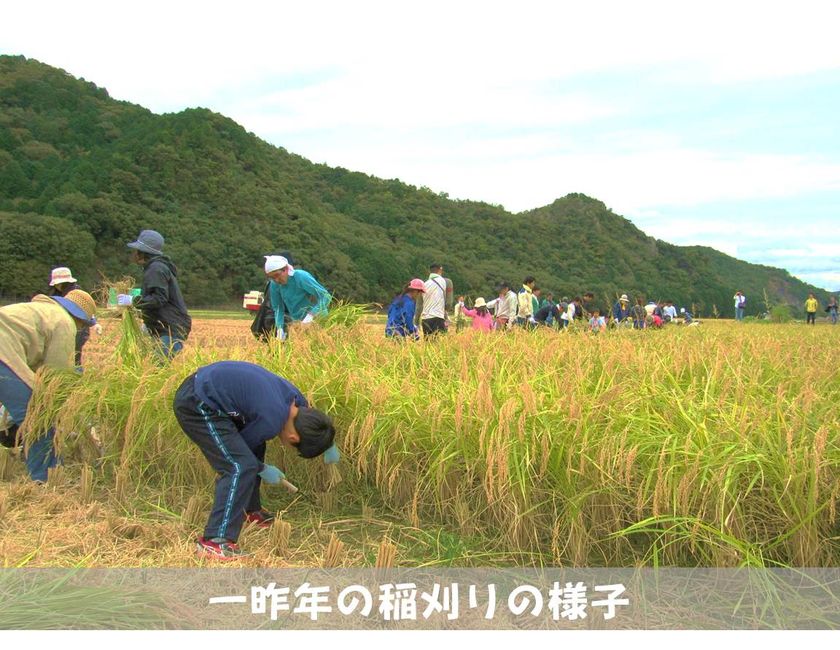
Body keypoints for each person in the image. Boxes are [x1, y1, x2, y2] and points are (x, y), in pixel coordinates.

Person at [173, 360, 339, 560]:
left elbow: (314, 421)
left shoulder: (296, 401)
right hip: (198, 401)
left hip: (214, 390)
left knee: (256, 446)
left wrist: (328, 442)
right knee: (239, 466)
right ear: (294, 439)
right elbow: (240, 451)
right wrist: (261, 468)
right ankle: (215, 540)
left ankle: (248, 511)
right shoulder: (271, 419)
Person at [0, 290, 96, 482]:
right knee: (37, 418)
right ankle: (44, 478)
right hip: (4, 354)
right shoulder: (65, 323)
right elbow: (55, 377)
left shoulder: (42, 311)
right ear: (81, 321)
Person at [127, 230, 192, 359]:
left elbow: (159, 299)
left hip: (170, 329)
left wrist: (133, 301)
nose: (133, 253)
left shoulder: (156, 268)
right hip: (163, 328)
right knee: (147, 365)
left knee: (156, 368)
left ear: (142, 252)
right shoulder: (156, 267)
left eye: (136, 250)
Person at [264, 255, 331, 340]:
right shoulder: (274, 285)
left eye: (277, 275)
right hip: (298, 323)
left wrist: (311, 315)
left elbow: (325, 296)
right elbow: (277, 308)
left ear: (285, 269)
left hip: (319, 319)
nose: (276, 280)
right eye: (272, 277)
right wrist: (280, 328)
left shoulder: (301, 277)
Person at [47, 266, 98, 366]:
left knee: (74, 356)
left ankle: (75, 376)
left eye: (58, 284)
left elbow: (83, 312)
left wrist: (94, 323)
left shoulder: (76, 294)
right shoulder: (57, 294)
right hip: (62, 328)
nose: (57, 286)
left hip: (78, 330)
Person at [419, 264, 449, 337]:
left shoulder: (425, 284)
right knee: (438, 344)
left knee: (428, 344)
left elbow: (419, 305)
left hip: (425, 319)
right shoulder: (444, 281)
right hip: (437, 317)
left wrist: (416, 321)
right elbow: (448, 302)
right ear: (440, 270)